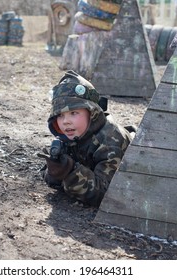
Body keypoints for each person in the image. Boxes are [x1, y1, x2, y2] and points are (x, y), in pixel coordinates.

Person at [38, 70, 135, 207]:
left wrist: (70, 171)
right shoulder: (73, 135)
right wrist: (55, 170)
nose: (66, 121)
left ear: (92, 113)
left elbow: (105, 195)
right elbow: (49, 177)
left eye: (73, 113)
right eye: (60, 115)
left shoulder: (111, 142)